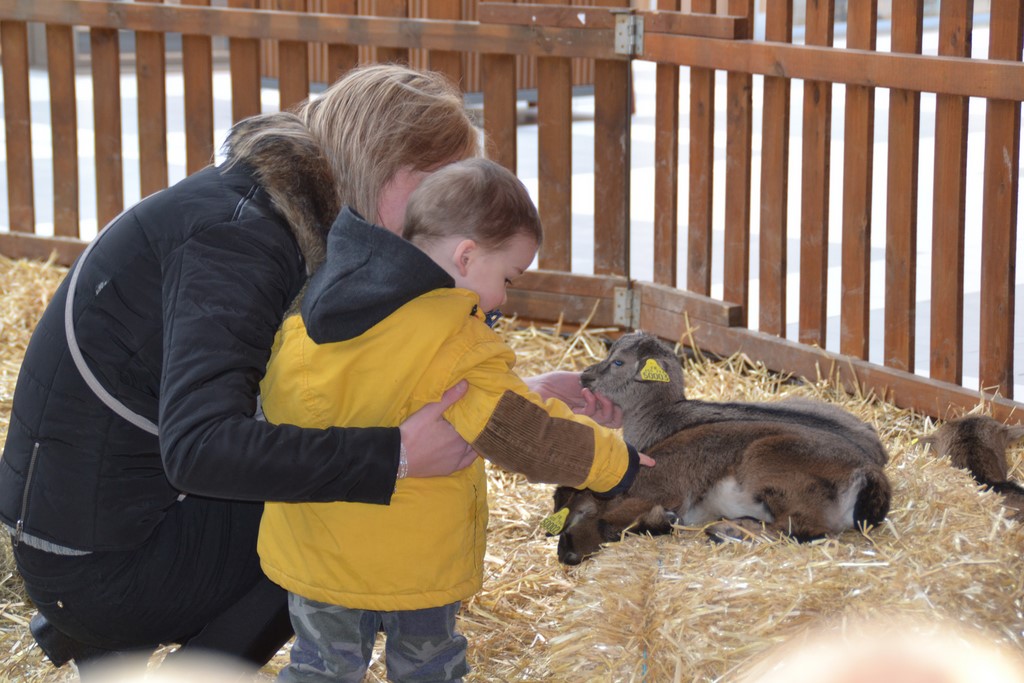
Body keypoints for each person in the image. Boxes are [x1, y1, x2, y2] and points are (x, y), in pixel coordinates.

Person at [0, 64, 617, 675]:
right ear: (393, 173)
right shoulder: (240, 242)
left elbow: (330, 393)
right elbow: (200, 448)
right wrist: (394, 456)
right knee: (332, 527)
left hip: (106, 525)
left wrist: (499, 399)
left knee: (332, 485)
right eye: (444, 188)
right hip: (99, 564)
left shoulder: (280, 216)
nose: (454, 215)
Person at [257, 158, 651, 682]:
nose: (504, 298)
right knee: (429, 667)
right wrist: (616, 463)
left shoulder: (313, 311)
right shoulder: (458, 341)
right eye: (507, 277)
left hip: (314, 556)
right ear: (466, 256)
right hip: (413, 561)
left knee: (320, 670)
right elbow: (526, 435)